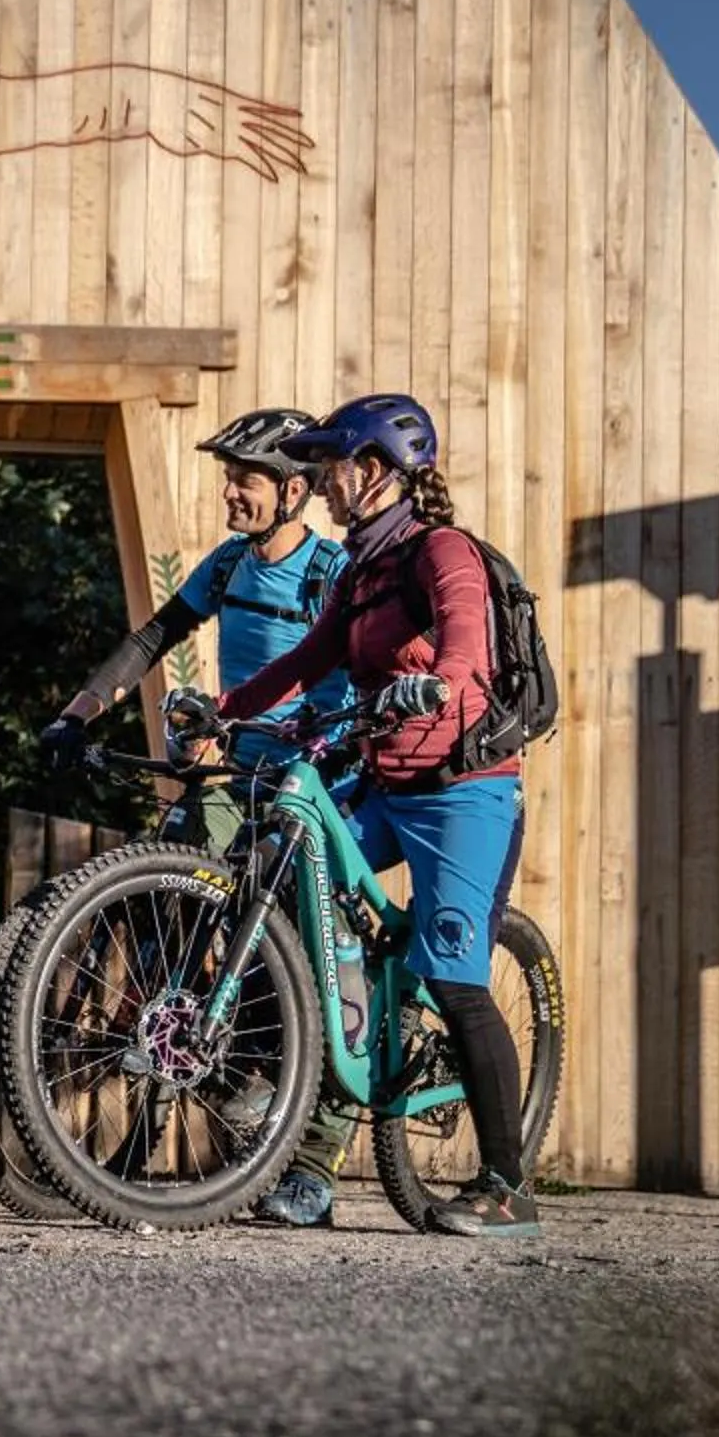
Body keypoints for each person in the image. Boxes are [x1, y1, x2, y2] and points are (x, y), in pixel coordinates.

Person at [216, 393, 538, 1239]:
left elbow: (465, 644)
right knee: (282, 868)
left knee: (454, 978)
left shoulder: (441, 550)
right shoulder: (363, 573)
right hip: (388, 785)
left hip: (464, 792)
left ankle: (508, 1187)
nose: (322, 484)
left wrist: (436, 683)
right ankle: (274, 1059)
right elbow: (304, 661)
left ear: (374, 472)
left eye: (330, 468)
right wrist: (223, 711)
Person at [37, 405, 354, 851]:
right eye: (228, 477)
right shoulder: (228, 562)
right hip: (244, 775)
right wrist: (73, 717)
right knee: (178, 850)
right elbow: (153, 638)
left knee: (275, 878)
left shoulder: (333, 572)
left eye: (245, 481)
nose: (228, 492)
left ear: (294, 490)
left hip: (319, 781)